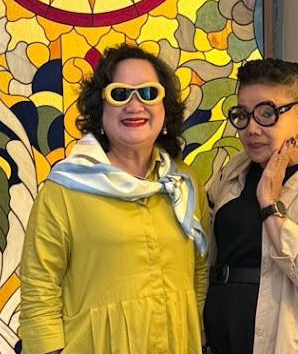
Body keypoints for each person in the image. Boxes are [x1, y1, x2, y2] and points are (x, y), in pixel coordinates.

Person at [20, 43, 209, 354]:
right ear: (100, 109)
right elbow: (39, 285)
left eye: (148, 93)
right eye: (120, 94)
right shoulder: (64, 189)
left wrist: (198, 331)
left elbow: (200, 267)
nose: (135, 105)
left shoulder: (185, 183)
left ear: (165, 108)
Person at [203, 58, 298, 354]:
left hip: (288, 343)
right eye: (242, 115)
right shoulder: (234, 169)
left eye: (267, 113)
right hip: (221, 339)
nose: (251, 129)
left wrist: (269, 204)